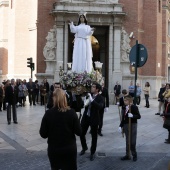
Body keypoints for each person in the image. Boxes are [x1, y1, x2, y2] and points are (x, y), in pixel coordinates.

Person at [39, 89, 81, 170]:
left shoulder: (48, 114)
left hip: (54, 149)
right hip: (69, 149)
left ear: (54, 98)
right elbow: (79, 132)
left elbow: (43, 134)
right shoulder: (71, 112)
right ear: (65, 98)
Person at [79, 82, 104, 161]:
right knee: (81, 133)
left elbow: (100, 107)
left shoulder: (101, 98)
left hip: (94, 118)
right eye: (92, 86)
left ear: (97, 89)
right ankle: (84, 147)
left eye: (93, 87)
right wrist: (82, 100)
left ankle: (92, 152)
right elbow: (82, 105)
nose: (91, 88)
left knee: (94, 137)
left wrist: (92, 100)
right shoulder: (88, 95)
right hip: (86, 117)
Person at [118, 95, 141, 161]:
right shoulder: (124, 107)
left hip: (132, 125)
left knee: (132, 141)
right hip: (126, 125)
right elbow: (123, 118)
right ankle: (127, 155)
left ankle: (134, 154)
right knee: (128, 141)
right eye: (124, 100)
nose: (124, 101)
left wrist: (133, 116)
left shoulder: (134, 107)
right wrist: (120, 126)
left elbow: (139, 116)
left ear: (130, 101)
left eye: (126, 100)